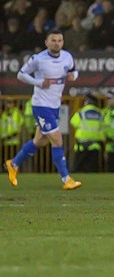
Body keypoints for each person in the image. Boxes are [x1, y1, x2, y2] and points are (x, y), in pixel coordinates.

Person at [5, 29, 82, 190]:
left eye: (60, 40)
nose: (57, 43)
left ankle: (13, 163)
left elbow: (74, 71)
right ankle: (66, 179)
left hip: (54, 105)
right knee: (57, 139)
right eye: (53, 40)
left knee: (40, 141)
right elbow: (21, 74)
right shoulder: (38, 59)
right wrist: (39, 82)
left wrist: (72, 76)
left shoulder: (67, 57)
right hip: (41, 105)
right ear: (46, 42)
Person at [69, 92, 104, 172]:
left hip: (81, 145)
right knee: (92, 170)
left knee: (78, 170)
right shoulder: (100, 114)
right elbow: (102, 127)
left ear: (86, 102)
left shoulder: (81, 113)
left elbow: (73, 123)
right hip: (94, 145)